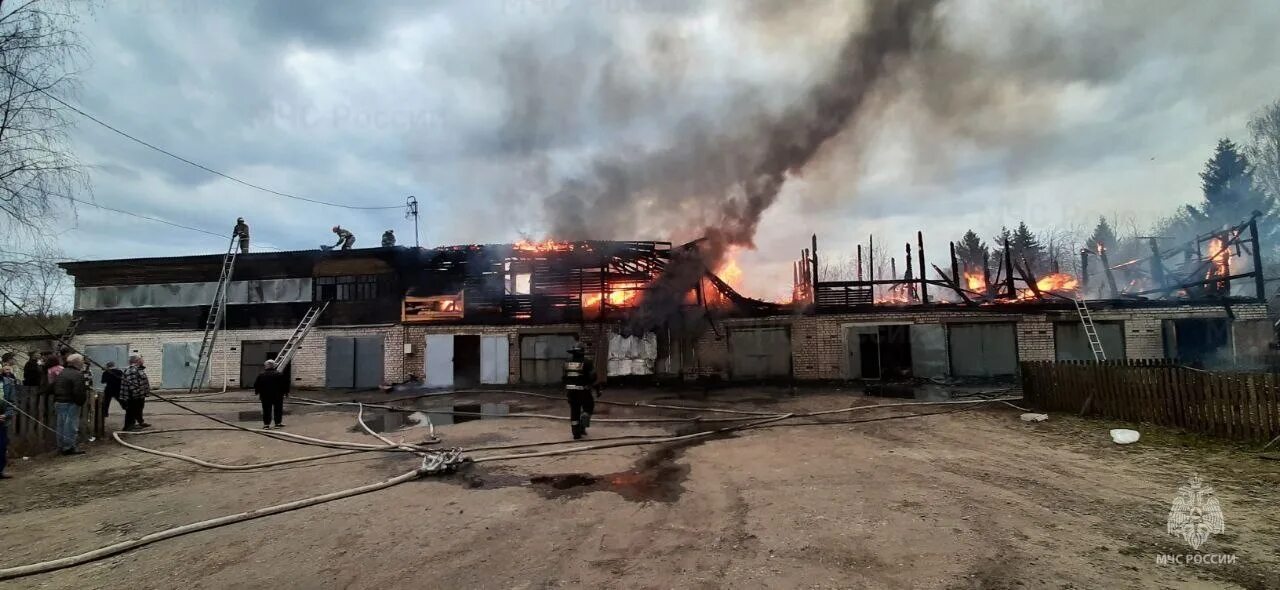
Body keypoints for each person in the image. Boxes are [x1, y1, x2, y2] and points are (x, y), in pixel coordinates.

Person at [52, 354, 88, 455]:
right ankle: (69, 447)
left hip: (59, 401)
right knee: (71, 426)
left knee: (61, 425)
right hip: (70, 402)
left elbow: (55, 386)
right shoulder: (77, 374)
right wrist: (80, 402)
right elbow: (79, 391)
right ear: (77, 363)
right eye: (81, 362)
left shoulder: (62, 372)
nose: (82, 364)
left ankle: (61, 446)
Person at [561, 343, 598, 440]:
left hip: (571, 391)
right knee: (588, 407)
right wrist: (595, 387)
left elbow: (564, 377)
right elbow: (593, 377)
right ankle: (583, 425)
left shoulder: (566, 362)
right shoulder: (587, 362)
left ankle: (576, 433)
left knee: (574, 411)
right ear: (582, 352)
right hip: (583, 391)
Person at [253, 359, 290, 429]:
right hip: (277, 395)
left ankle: (266, 424)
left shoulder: (261, 375)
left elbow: (256, 385)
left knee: (266, 409)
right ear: (274, 366)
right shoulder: (279, 374)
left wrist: (257, 392)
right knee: (278, 409)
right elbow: (285, 384)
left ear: (266, 366)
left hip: (265, 396)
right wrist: (286, 393)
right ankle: (277, 423)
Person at [120, 354, 152, 431]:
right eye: (141, 359)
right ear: (137, 361)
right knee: (131, 410)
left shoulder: (137, 369)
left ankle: (139, 422)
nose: (143, 360)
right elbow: (133, 385)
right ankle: (128, 426)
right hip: (133, 396)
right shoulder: (132, 370)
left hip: (139, 395)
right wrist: (137, 394)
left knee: (138, 409)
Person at [0, 362, 16, 478]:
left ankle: (0, 470)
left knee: (2, 444)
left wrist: (6, 414)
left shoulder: (7, 383)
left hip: (2, 419)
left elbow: (12, 402)